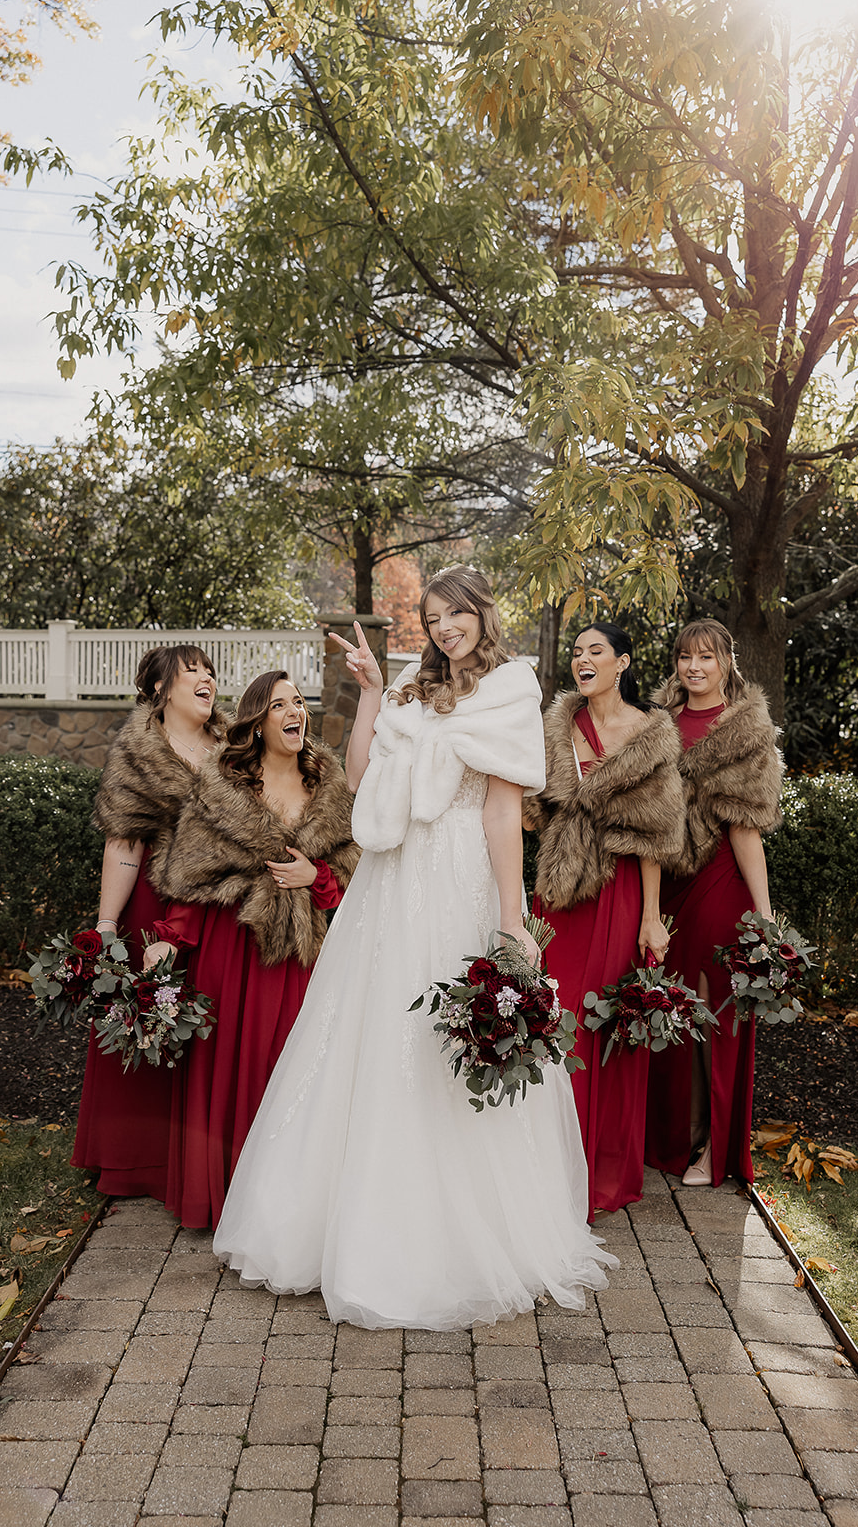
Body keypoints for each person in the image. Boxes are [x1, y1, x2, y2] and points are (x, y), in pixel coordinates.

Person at [213, 565, 616, 1329]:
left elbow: (502, 815)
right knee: (368, 1036)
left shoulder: (507, 691)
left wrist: (509, 915)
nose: (443, 628)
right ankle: (340, 1228)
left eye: (454, 613)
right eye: (432, 617)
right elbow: (362, 778)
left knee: (447, 1042)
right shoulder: (407, 687)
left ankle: (462, 1238)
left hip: (459, 878)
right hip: (390, 884)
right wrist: (370, 690)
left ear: (479, 614)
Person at [143, 671, 359, 1230]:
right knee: (233, 1067)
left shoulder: (329, 791)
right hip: (233, 946)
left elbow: (353, 878)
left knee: (294, 1066)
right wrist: (169, 941)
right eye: (280, 704)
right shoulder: (221, 789)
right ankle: (229, 1197)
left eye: (300, 703)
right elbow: (192, 871)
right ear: (258, 722)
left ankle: (286, 1208)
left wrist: (317, 875)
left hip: (305, 955)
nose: (296, 713)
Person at [528, 622, 684, 1217]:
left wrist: (651, 918)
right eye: (576, 652)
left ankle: (598, 1171)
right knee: (556, 1016)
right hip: (560, 892)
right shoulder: (555, 727)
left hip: (618, 893)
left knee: (602, 1024)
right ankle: (546, 1165)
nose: (582, 660)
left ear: (622, 662)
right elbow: (531, 810)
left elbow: (655, 838)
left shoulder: (649, 735)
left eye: (596, 651)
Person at [71, 644, 227, 1200]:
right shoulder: (139, 751)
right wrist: (108, 928)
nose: (207, 679)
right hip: (153, 907)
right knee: (145, 1020)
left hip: (220, 908)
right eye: (193, 672)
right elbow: (123, 842)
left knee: (208, 1032)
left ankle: (200, 1158)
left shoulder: (235, 746)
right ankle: (134, 1162)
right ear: (160, 690)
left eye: (210, 671)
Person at [643, 619, 782, 1188]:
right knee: (669, 1005)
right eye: (684, 657)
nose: (694, 667)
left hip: (719, 879)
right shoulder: (658, 726)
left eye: (706, 656)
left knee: (712, 1010)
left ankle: (712, 1149)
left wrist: (764, 913)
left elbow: (747, 829)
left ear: (728, 661)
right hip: (668, 881)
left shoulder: (744, 728)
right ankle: (671, 1137)